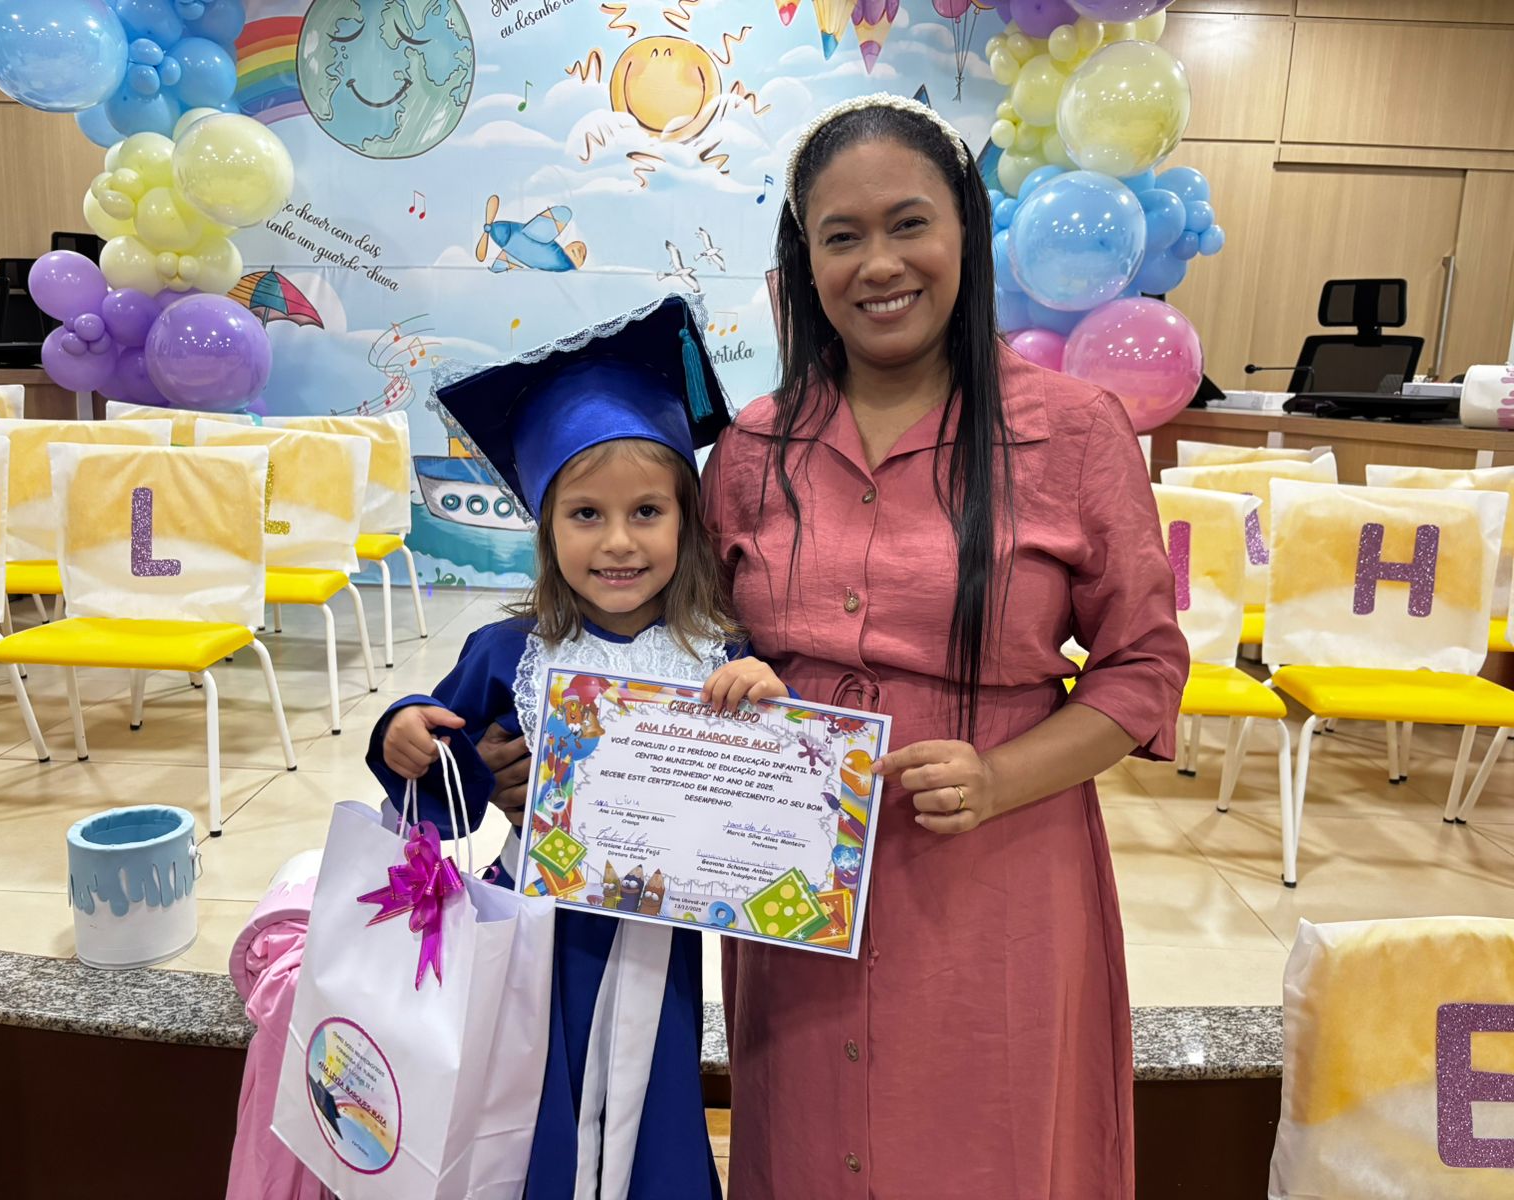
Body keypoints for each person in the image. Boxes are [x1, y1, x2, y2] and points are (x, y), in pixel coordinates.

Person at [694, 93, 1189, 1197]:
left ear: (967, 228)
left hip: (993, 878)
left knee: (986, 1149)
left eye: (909, 223)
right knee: (808, 1148)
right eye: (841, 236)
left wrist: (1001, 776)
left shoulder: (1073, 430)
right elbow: (697, 643)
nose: (879, 264)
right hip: (792, 887)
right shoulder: (754, 446)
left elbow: (1145, 667)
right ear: (806, 261)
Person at [367, 294, 786, 1199]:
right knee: (529, 1102)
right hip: (533, 934)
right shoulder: (508, 652)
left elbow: (769, 801)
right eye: (586, 515)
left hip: (658, 937)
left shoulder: (720, 656)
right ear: (547, 530)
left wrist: (765, 704)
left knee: (652, 1098)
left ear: (687, 523)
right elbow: (439, 773)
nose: (619, 542)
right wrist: (403, 727)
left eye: (647, 511)